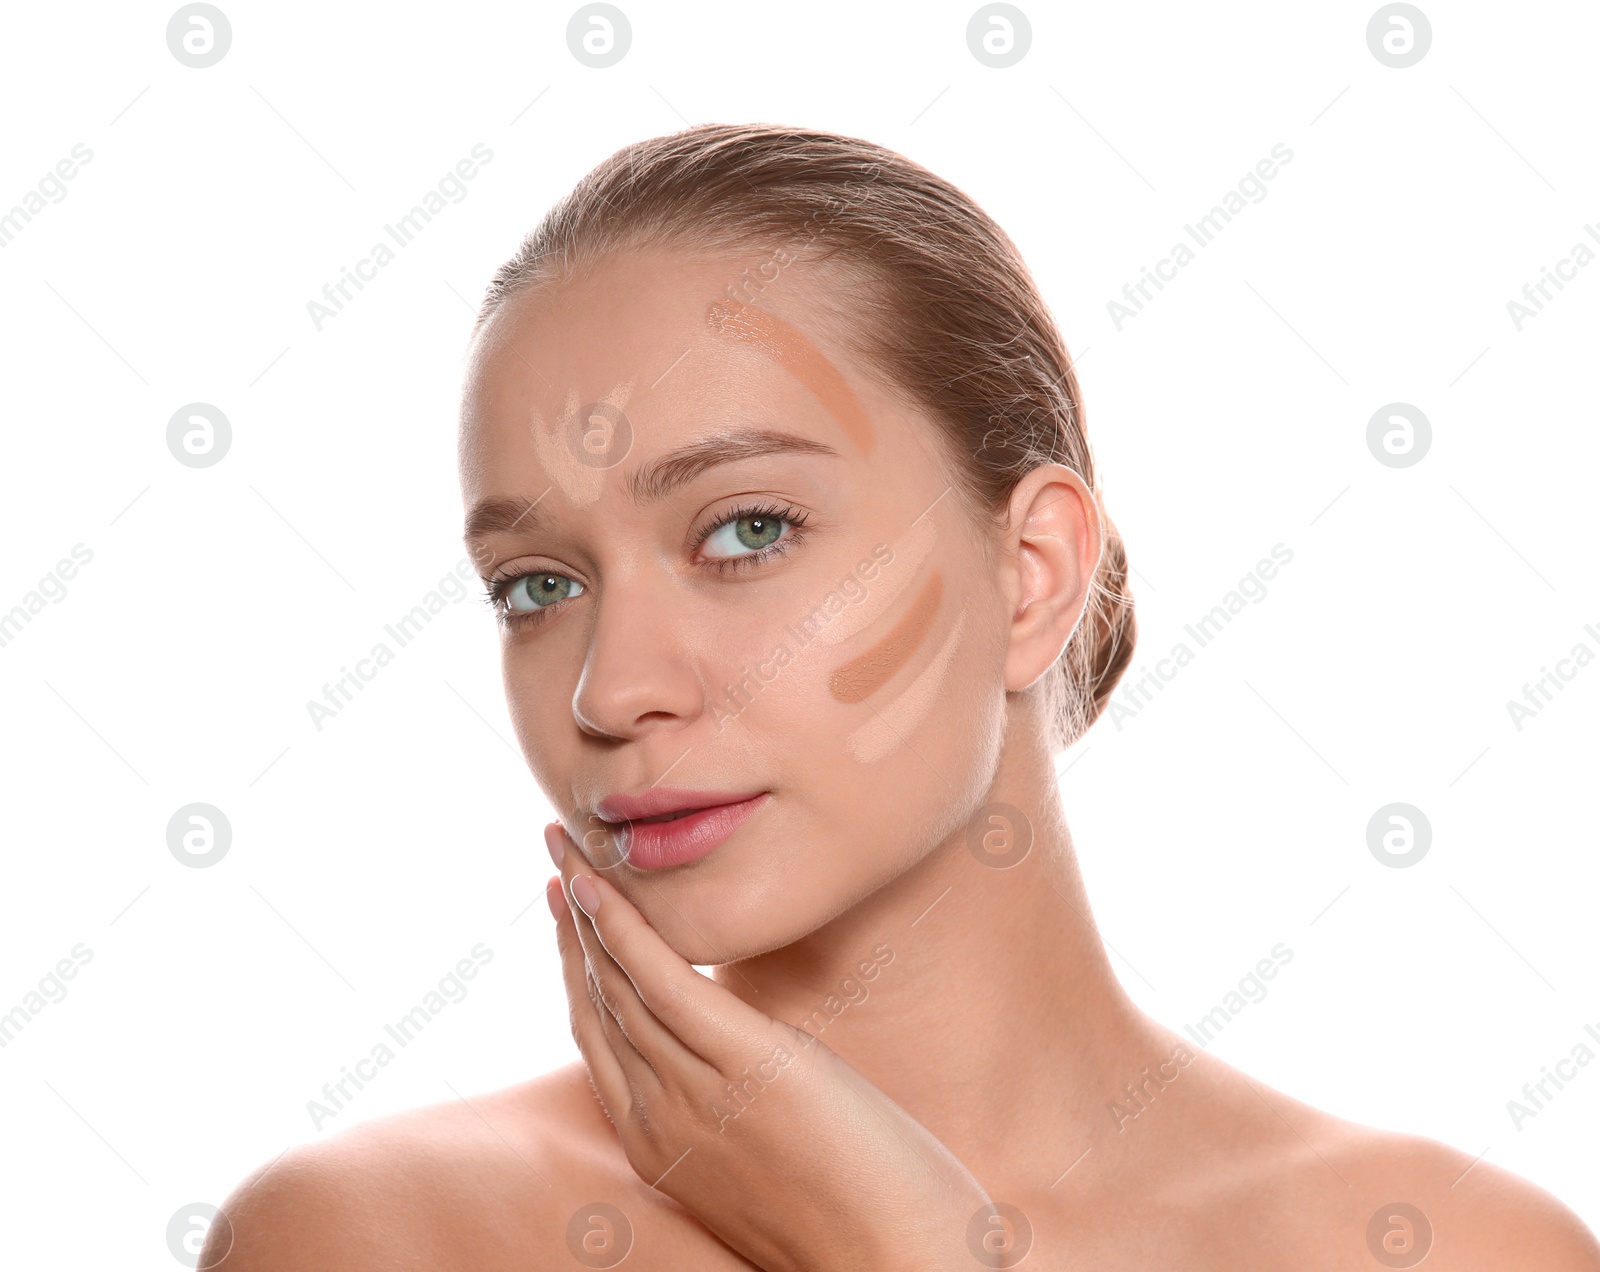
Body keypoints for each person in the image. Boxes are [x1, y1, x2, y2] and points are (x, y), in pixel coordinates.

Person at [204, 123, 1600, 1270]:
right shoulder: (383, 1239)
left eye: (746, 529)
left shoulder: (1446, 1250)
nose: (611, 688)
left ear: (1033, 571)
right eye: (536, 586)